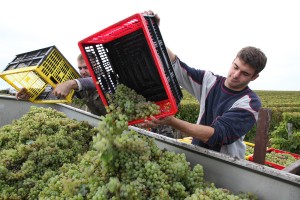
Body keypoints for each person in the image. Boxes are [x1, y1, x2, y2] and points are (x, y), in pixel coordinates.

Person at [142, 10, 267, 159]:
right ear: (233, 61)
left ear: (254, 77)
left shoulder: (250, 103)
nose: (235, 75)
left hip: (228, 165)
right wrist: (153, 32)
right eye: (235, 67)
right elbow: (176, 64)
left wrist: (171, 121)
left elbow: (215, 135)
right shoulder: (210, 81)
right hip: (198, 154)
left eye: (245, 73)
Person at [16, 54, 106, 116]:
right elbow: (56, 91)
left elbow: (94, 82)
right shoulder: (80, 85)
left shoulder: (107, 76)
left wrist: (70, 83)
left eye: (86, 67)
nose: (82, 71)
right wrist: (32, 93)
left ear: (96, 65)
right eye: (80, 68)